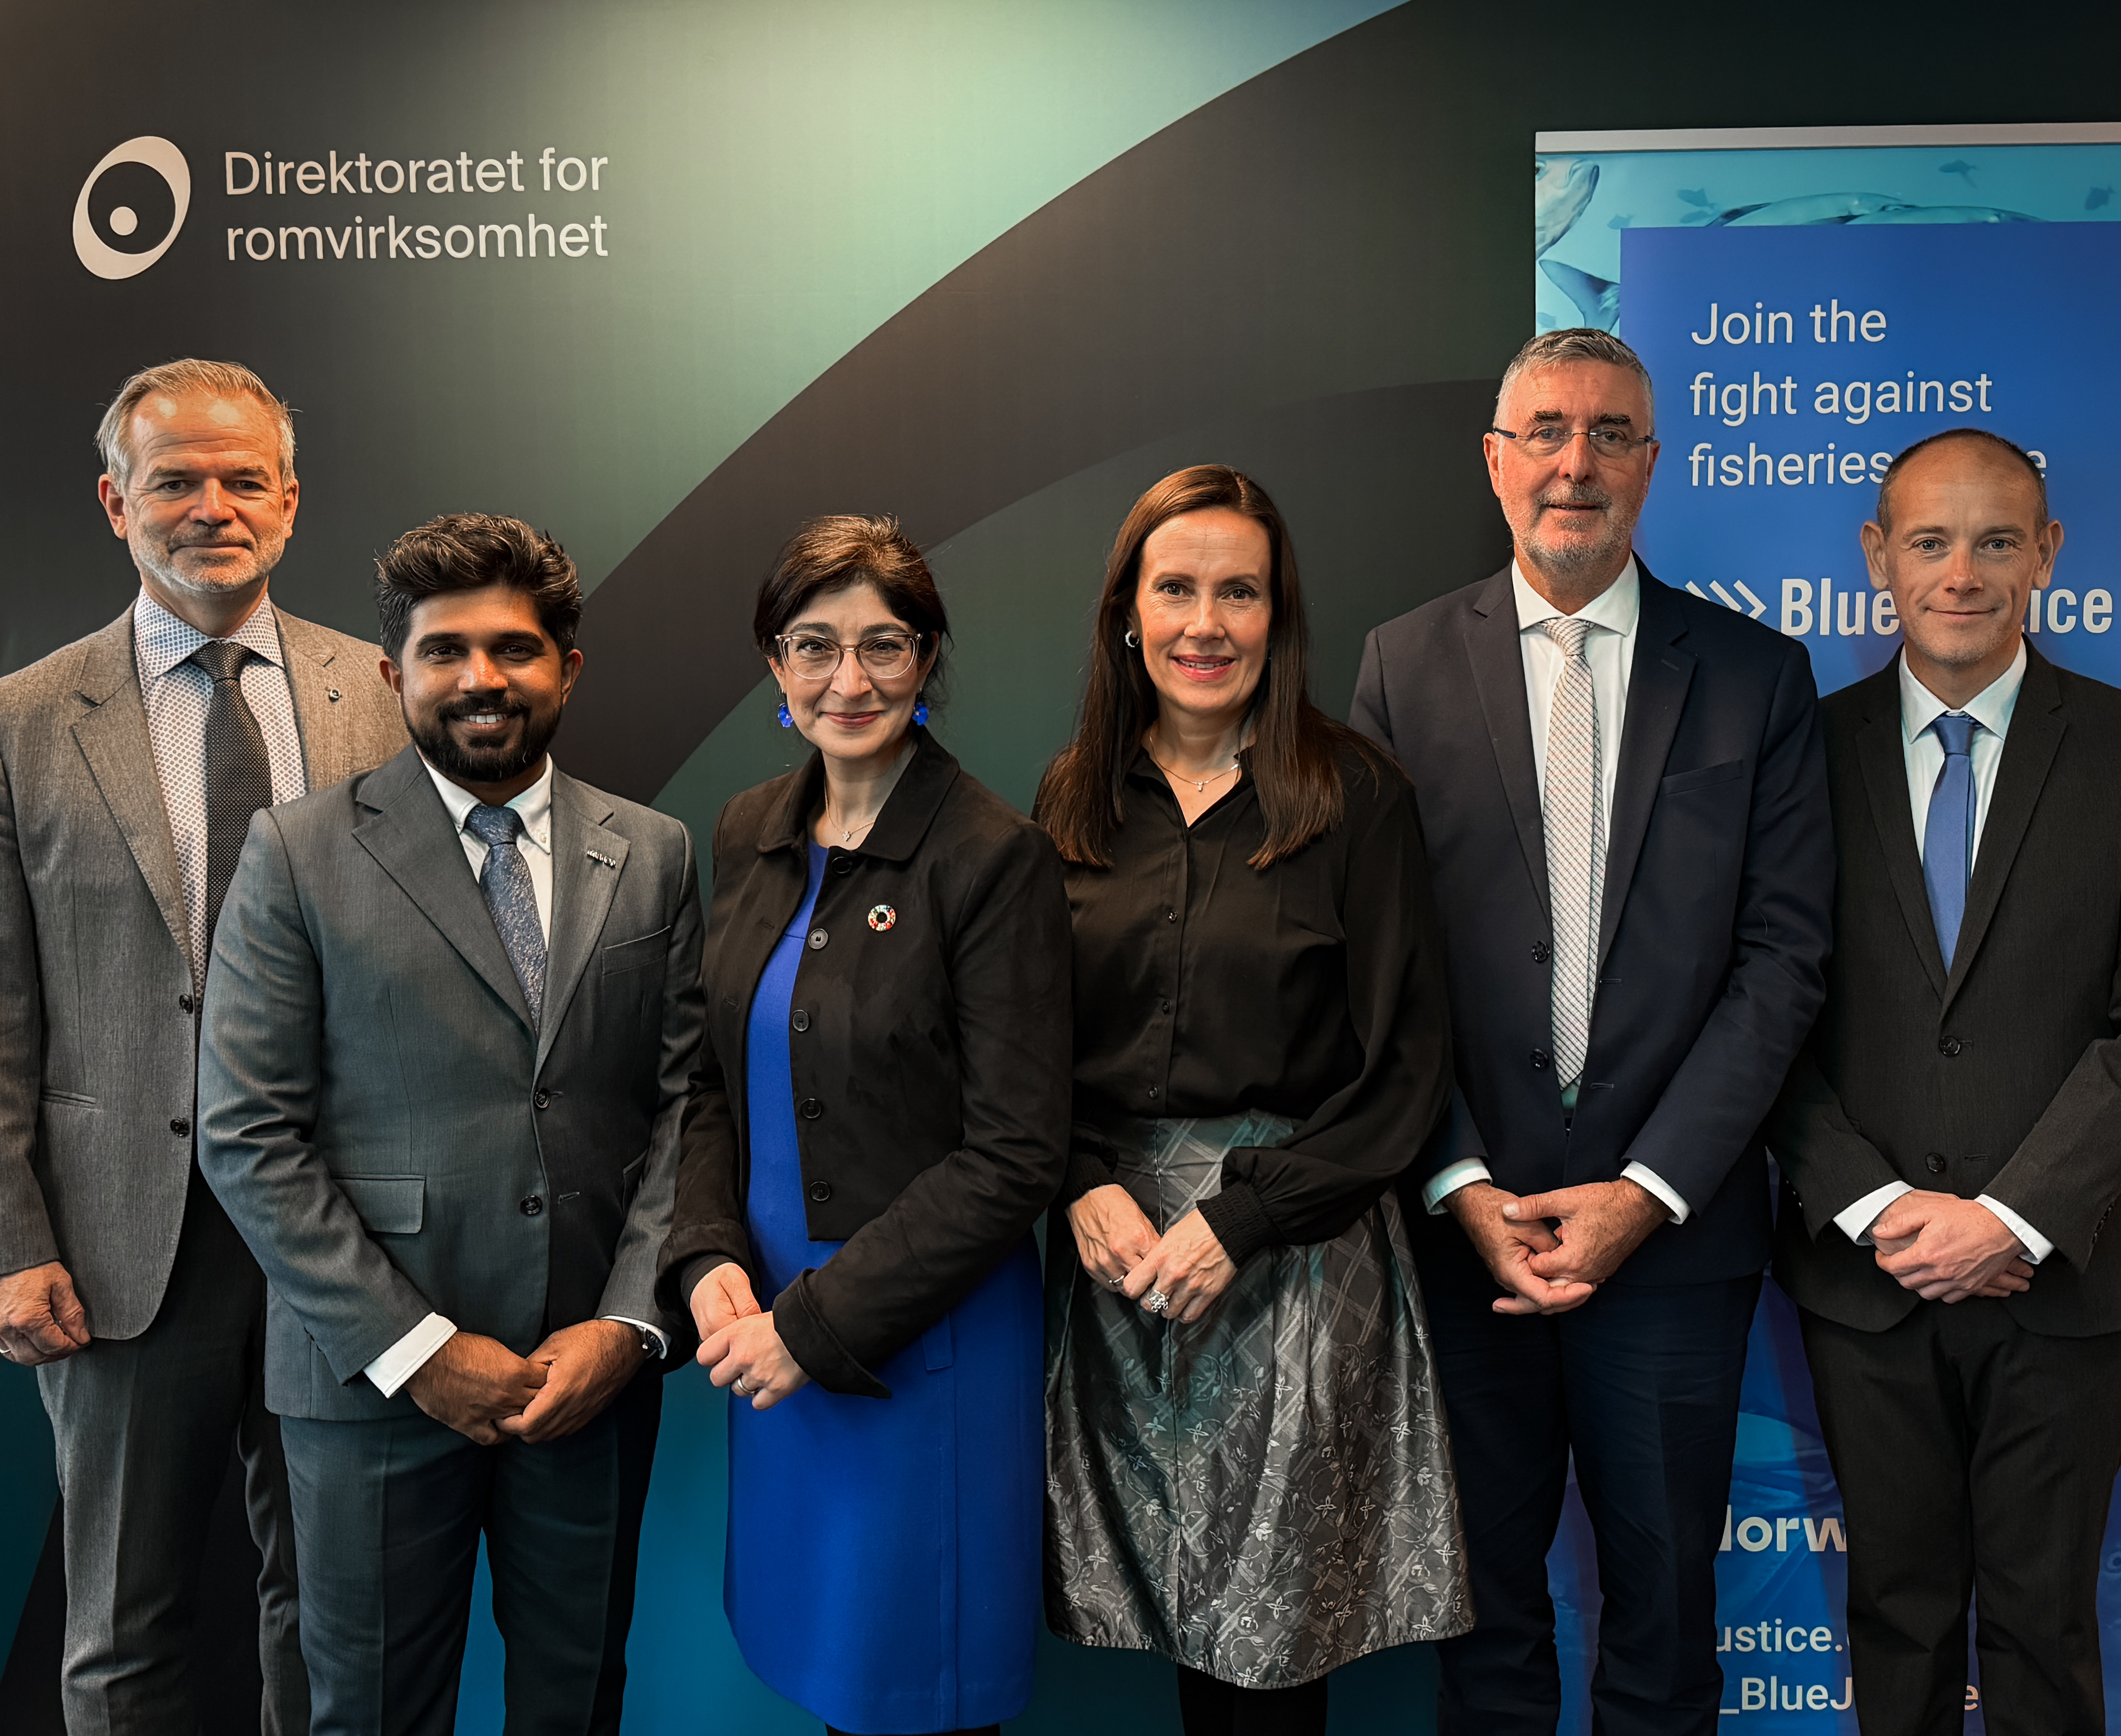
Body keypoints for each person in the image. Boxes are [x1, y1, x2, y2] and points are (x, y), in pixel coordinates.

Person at [1350, 328, 1834, 1735]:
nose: (1576, 462)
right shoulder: (1399, 666)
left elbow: (1783, 960)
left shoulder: (1754, 676)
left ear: (1652, 462)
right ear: (1495, 462)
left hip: (1673, 1241)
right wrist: (1457, 1180)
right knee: (1485, 1624)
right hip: (1467, 1236)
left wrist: (1644, 1190)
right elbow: (1380, 965)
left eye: (1610, 432)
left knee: (1665, 1622)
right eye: (1546, 431)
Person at [193, 514, 699, 1736]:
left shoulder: (657, 853)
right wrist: (420, 1349)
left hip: (588, 1377)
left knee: (577, 1700)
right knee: (365, 1710)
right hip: (370, 1386)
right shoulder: (298, 852)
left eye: (515, 650)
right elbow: (247, 1131)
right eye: (446, 651)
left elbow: (690, 1104)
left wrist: (629, 1325)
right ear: (392, 673)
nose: (482, 679)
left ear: (567, 669)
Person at [1765, 430, 2121, 1735]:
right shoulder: (1801, 752)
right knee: (1895, 1619)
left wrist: (2005, 1218)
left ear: (2044, 554)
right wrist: (1882, 1211)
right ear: (1876, 556)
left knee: (2041, 1626)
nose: (1958, 572)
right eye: (1926, 540)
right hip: (1868, 1277)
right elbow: (1764, 1016)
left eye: (1993, 540)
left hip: (2068, 1283)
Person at [0, 360, 406, 1734]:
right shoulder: (18, 722)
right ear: (117, 502)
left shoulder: (386, 692)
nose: (210, 506)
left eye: (242, 480)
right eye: (175, 479)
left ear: (290, 503)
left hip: (342, 1230)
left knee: (337, 1607)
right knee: (122, 1626)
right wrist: (6, 1238)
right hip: (118, 1243)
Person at [1036, 464, 1471, 1736]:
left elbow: (1405, 1072)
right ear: (1127, 608)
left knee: (1266, 1664)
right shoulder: (1068, 797)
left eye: (1241, 591)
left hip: (1294, 1256)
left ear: (1278, 619)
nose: (1205, 622)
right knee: (1165, 1629)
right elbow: (1015, 1054)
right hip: (1114, 1264)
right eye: (1175, 587)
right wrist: (1077, 1176)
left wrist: (1245, 1216)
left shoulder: (1353, 795)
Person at [660, 516, 1071, 1736]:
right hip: (762, 1328)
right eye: (815, 645)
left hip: (920, 1352)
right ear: (775, 667)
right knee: (827, 1674)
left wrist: (815, 1323)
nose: (850, 679)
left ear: (927, 658)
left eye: (884, 645)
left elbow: (1016, 1154)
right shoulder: (747, 830)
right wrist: (707, 1259)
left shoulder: (995, 858)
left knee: (916, 1693)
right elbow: (704, 1083)